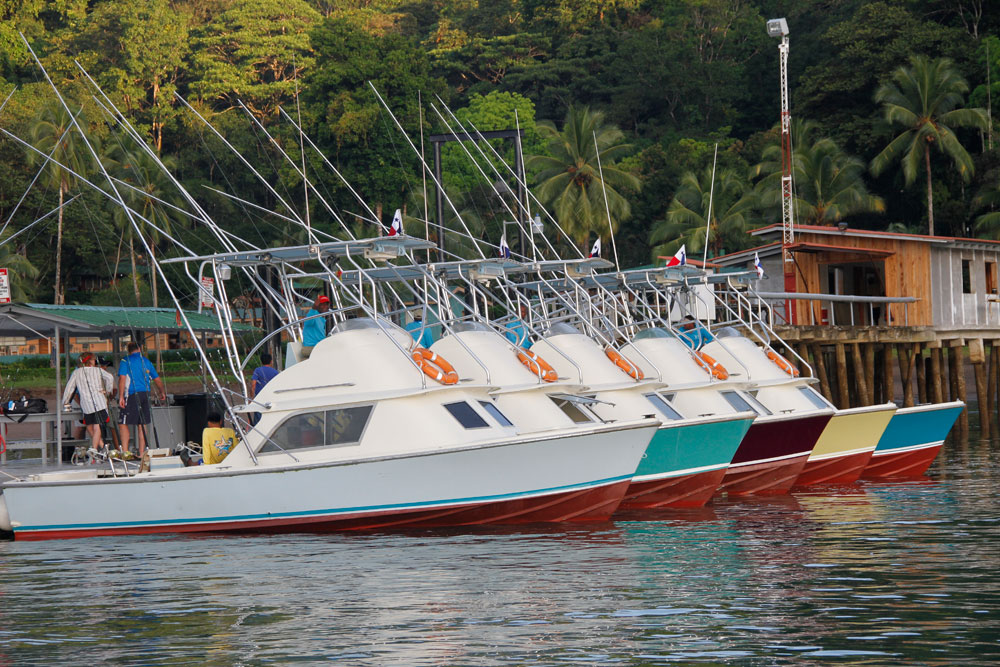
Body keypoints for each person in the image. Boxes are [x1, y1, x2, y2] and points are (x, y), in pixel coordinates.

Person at [118, 341, 166, 458]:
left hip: (132, 394)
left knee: (123, 423)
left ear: (129, 351)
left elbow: (122, 379)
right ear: (139, 349)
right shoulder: (146, 361)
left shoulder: (125, 361)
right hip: (145, 394)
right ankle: (141, 453)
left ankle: (125, 452)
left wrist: (120, 396)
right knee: (142, 423)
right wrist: (162, 392)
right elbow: (157, 379)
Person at [61, 353, 115, 452]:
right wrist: (107, 391)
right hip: (100, 402)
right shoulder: (98, 370)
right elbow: (110, 378)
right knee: (97, 425)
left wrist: (65, 402)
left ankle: (101, 447)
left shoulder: (76, 372)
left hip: (86, 405)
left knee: (90, 426)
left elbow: (70, 388)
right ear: (90, 361)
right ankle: (95, 449)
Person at [250, 352, 279, 425]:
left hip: (259, 398)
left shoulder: (257, 370)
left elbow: (253, 385)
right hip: (271, 398)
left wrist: (252, 398)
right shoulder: (275, 372)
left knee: (257, 420)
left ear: (261, 361)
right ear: (271, 361)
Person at [301, 295, 330, 359]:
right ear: (318, 306)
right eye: (322, 304)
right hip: (310, 347)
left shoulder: (321, 318)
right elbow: (308, 321)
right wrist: (314, 308)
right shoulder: (313, 315)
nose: (325, 306)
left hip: (319, 346)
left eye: (326, 304)